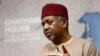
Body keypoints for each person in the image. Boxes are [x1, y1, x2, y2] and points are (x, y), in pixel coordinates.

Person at [35, 3, 99, 56]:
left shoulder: (86, 47)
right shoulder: (40, 52)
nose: (45, 27)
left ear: (64, 22)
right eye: (43, 24)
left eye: (49, 22)